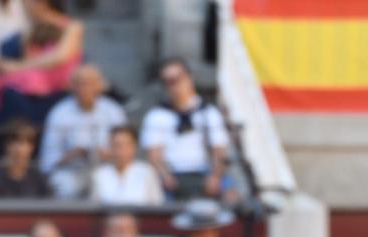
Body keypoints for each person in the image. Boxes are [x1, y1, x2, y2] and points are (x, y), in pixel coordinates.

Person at [0, 0, 82, 129]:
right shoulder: (32, 27)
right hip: (33, 79)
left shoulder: (73, 26)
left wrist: (17, 66)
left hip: (57, 82)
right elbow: (29, 56)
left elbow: (59, 57)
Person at [141, 57, 232, 200]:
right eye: (168, 82)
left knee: (232, 194)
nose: (173, 86)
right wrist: (166, 176)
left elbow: (220, 151)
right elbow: (154, 155)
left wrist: (214, 177)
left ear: (189, 78)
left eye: (177, 79)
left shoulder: (209, 113)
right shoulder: (156, 116)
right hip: (172, 175)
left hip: (204, 172)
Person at [41, 63, 125, 198]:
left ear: (100, 86)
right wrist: (72, 155)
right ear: (72, 87)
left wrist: (107, 154)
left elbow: (125, 150)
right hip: (70, 171)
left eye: (90, 83)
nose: (85, 88)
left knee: (107, 186)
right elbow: (48, 160)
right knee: (65, 187)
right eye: (79, 83)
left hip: (106, 169)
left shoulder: (114, 111)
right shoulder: (59, 113)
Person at [89, 125, 162, 206]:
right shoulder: (100, 174)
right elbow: (95, 208)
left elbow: (156, 206)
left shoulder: (147, 172)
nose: (120, 150)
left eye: (125, 145)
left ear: (134, 147)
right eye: (115, 145)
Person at [0, 119, 50, 197]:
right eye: (13, 142)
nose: (19, 149)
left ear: (32, 147)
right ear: (5, 145)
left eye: (25, 142)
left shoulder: (39, 178)